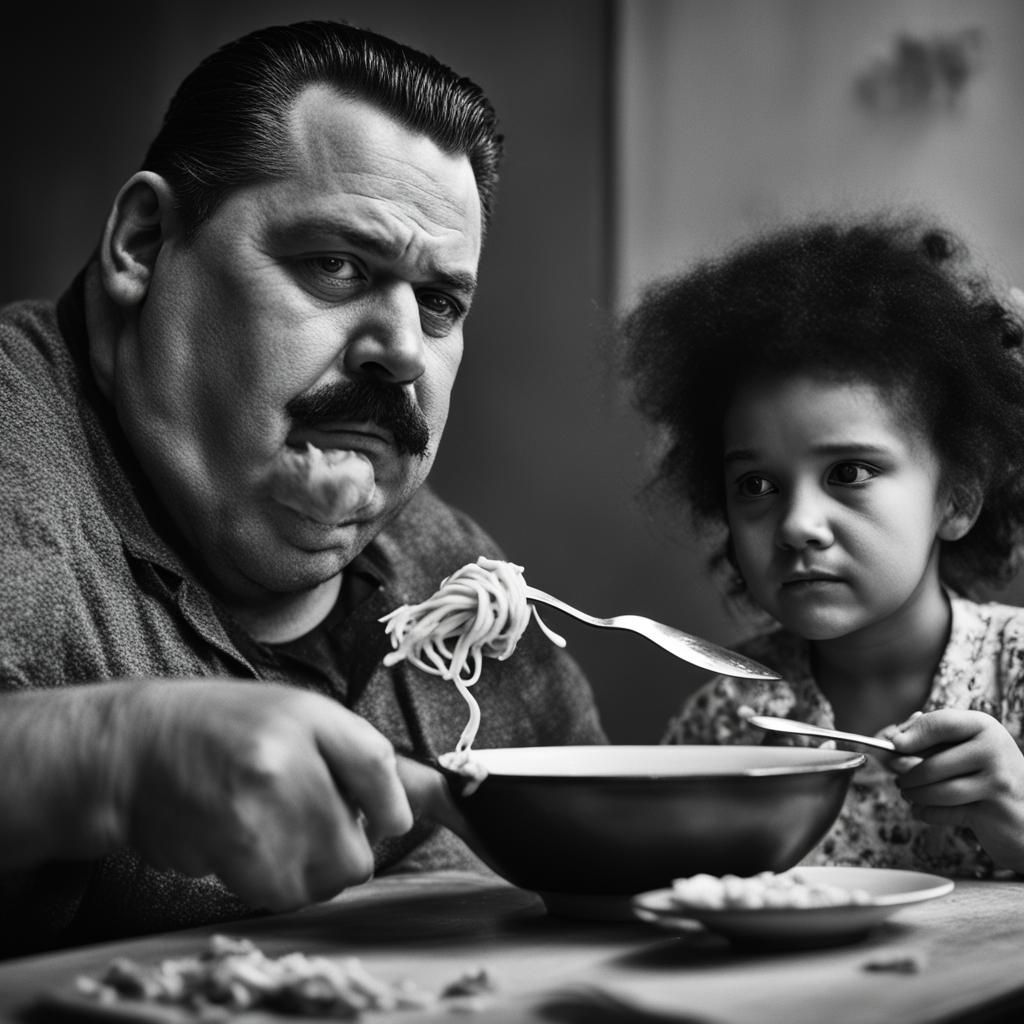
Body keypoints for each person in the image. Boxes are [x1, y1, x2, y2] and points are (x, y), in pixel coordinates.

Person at [0, 20, 605, 956]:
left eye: (439, 302)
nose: (403, 349)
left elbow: (608, 869)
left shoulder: (463, 583)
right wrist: (107, 757)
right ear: (144, 242)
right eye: (335, 265)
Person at [619, 211, 1024, 877]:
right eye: (756, 484)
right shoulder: (727, 720)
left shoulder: (1017, 674)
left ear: (955, 499)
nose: (797, 524)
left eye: (848, 473)